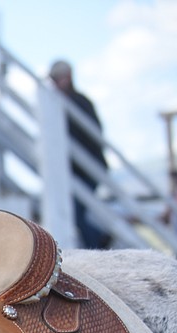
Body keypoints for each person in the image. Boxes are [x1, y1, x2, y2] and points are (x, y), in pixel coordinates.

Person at [49, 59, 111, 249]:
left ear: (67, 78)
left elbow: (89, 135)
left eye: (56, 79)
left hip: (86, 169)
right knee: (75, 213)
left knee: (75, 212)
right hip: (82, 169)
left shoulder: (75, 103)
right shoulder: (74, 102)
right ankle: (98, 240)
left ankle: (98, 241)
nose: (54, 84)